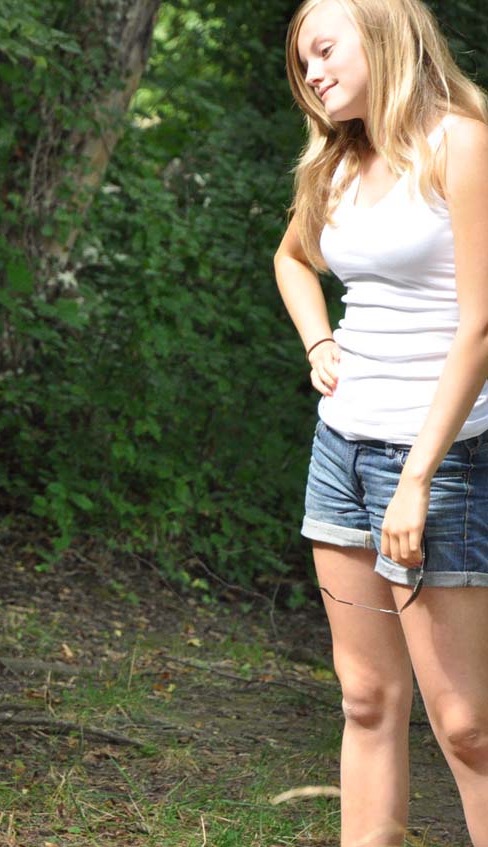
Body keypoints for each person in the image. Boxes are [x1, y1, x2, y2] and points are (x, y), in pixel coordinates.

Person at [274, 1, 488, 844]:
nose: (312, 72)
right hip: (340, 452)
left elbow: (480, 326)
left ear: (382, 36)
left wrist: (418, 477)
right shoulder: (337, 161)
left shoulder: (462, 144)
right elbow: (292, 258)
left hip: (442, 462)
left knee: (466, 724)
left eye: (325, 50)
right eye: (304, 61)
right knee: (365, 697)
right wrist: (318, 338)